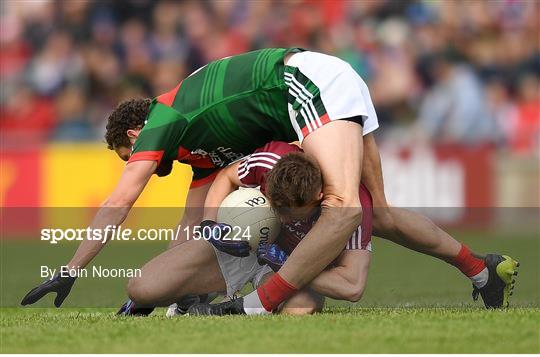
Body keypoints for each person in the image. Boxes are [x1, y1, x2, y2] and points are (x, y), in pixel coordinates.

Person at [21, 48, 518, 312]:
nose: (135, 162)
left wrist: (72, 268)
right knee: (378, 214)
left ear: (134, 132)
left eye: (127, 154)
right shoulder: (197, 150)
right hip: (321, 87)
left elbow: (121, 200)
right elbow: (192, 228)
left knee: (341, 205)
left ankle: (260, 303)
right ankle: (482, 271)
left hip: (305, 83)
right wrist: (162, 291)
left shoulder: (163, 118)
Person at [119, 140, 374, 316]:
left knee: (299, 310)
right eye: (276, 208)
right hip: (245, 247)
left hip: (294, 274)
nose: (282, 220)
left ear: (318, 196)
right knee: (142, 288)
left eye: (289, 213)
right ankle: (197, 295)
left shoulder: (352, 206)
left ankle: (232, 308)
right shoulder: (272, 159)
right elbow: (227, 177)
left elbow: (352, 286)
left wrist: (286, 264)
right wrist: (210, 224)